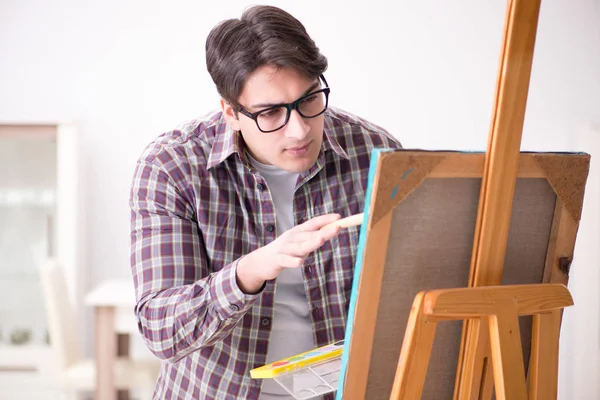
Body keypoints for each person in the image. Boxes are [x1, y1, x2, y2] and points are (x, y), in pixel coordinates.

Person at [129, 4, 402, 399]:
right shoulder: (172, 167)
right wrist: (252, 270)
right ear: (231, 112)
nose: (300, 129)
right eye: (271, 112)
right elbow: (161, 327)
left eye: (309, 99)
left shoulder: (375, 152)